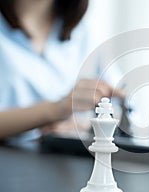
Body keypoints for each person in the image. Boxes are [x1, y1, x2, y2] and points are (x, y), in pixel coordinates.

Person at [0, 0, 124, 141]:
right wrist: (56, 111)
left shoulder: (82, 33)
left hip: (60, 159)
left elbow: (123, 106)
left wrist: (82, 126)